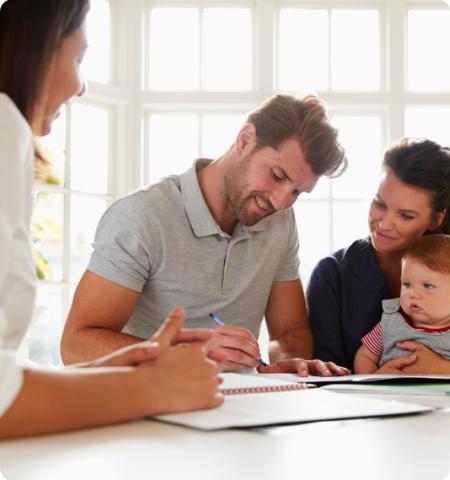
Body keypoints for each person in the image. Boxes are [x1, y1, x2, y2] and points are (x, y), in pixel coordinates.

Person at [0, 0, 222, 440]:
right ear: (42, 49)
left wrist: (109, 371)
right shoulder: (5, 124)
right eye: (79, 58)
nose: (81, 86)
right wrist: (150, 386)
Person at [60, 93, 350, 376]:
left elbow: (289, 330)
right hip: (147, 404)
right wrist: (184, 354)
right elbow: (75, 345)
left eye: (297, 192)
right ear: (245, 140)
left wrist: (288, 363)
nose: (280, 202)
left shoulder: (281, 221)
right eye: (277, 176)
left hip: (240, 407)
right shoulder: (142, 216)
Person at [307, 138, 450, 373]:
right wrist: (375, 380)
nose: (384, 224)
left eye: (405, 215)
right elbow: (324, 378)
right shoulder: (332, 274)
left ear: (437, 219)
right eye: (380, 204)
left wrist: (443, 368)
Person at [354, 235, 450, 373]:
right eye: (407, 284)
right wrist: (374, 378)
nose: (413, 294)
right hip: (390, 393)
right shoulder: (390, 322)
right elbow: (364, 356)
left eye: (428, 286)